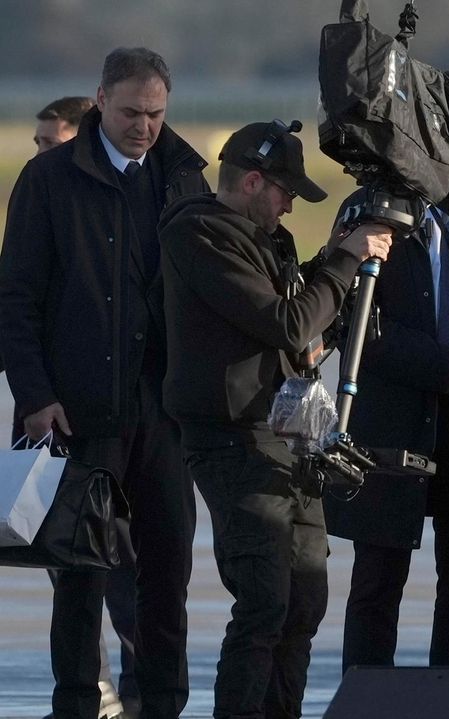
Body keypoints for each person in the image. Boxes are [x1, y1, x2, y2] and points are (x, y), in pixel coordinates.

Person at [0, 48, 208, 719]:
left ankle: (164, 702)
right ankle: (75, 705)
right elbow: (17, 298)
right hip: (74, 410)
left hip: (163, 412)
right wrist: (33, 396)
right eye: (130, 112)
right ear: (99, 100)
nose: (143, 125)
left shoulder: (183, 181)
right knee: (81, 576)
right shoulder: (48, 179)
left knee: (167, 570)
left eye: (155, 113)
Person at [159, 120, 392, 717]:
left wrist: (335, 256)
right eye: (285, 191)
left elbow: (297, 321)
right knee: (265, 598)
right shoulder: (200, 234)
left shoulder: (271, 239)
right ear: (252, 180)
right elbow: (286, 323)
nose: (290, 204)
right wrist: (343, 263)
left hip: (290, 434)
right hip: (230, 436)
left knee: (306, 598)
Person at [325, 71, 449, 672]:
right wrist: (439, 367)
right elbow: (352, 322)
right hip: (392, 419)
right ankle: (364, 702)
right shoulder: (371, 207)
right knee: (378, 581)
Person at [24, 93, 141, 719]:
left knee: (116, 563)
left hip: (108, 418)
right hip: (53, 415)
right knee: (70, 566)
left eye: (52, 142)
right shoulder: (41, 203)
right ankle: (94, 690)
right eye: (38, 143)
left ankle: (119, 689)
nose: (40, 154)